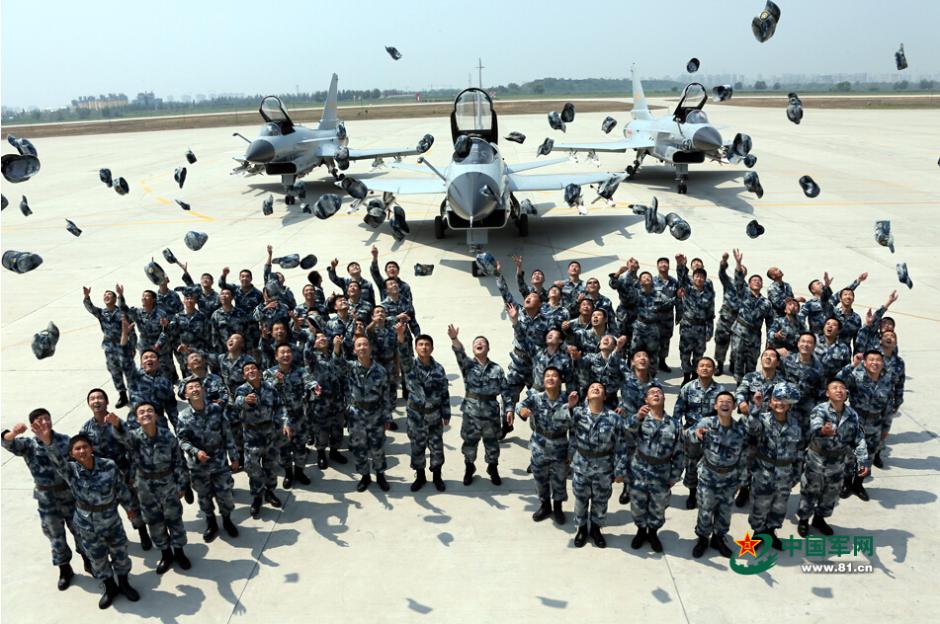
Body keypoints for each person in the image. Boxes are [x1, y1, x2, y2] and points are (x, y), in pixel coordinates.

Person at [37, 424, 141, 610]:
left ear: (91, 448)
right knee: (97, 558)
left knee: (121, 554)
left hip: (111, 520)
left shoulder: (108, 465)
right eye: (77, 449)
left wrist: (130, 508)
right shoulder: (70, 471)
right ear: (72, 454)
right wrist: (48, 442)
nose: (82, 450)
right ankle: (110, 588)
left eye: (85, 446)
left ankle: (124, 584)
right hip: (87, 525)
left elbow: (121, 488)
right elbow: (57, 461)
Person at [2, 409, 88, 589]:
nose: (44, 423)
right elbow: (6, 442)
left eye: (47, 419)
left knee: (80, 530)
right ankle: (65, 569)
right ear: (33, 425)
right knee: (55, 536)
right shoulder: (28, 445)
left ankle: (89, 561)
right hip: (47, 499)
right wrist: (15, 433)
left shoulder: (65, 441)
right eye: (39, 421)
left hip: (68, 495)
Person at [109, 403, 191, 575]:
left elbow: (178, 461)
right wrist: (117, 424)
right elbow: (124, 437)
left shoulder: (167, 437)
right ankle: (166, 554)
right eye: (141, 412)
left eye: (149, 411)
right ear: (137, 419)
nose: (146, 414)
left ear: (156, 416)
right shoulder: (135, 438)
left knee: (174, 519)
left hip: (168, 485)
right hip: (145, 489)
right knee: (154, 522)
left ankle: (179, 552)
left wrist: (182, 484)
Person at [80, 389, 152, 549]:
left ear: (106, 402)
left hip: (123, 472)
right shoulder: (86, 429)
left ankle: (143, 532)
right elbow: (83, 452)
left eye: (100, 398)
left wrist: (133, 473)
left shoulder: (116, 422)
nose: (96, 401)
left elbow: (132, 444)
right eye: (92, 399)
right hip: (101, 477)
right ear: (89, 404)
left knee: (133, 505)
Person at [796, 379, 869, 537]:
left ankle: (819, 519)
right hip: (816, 461)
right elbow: (815, 427)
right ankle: (803, 520)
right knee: (810, 492)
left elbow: (859, 438)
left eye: (842, 388)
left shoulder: (852, 415)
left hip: (838, 463)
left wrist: (862, 461)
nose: (839, 390)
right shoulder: (820, 410)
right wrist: (823, 430)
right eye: (834, 388)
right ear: (827, 393)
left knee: (831, 494)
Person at [448, 325, 513, 486]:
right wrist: (454, 339)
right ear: (473, 348)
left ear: (488, 348)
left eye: (483, 342)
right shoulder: (468, 365)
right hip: (471, 413)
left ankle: (493, 468)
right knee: (469, 443)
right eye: (476, 342)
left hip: (491, 413)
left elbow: (505, 390)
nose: (479, 343)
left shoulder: (497, 369)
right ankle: (469, 468)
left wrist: (509, 409)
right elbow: (459, 353)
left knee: (492, 443)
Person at [177, 377, 240, 543]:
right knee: (204, 497)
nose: (195, 389)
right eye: (191, 388)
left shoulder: (215, 410)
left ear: (203, 390)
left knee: (225, 494)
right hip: (198, 465)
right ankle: (211, 522)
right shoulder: (183, 417)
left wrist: (234, 457)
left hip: (219, 461)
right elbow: (182, 441)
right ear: (186, 394)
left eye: (198, 386)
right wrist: (196, 452)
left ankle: (227, 520)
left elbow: (227, 434)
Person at [689, 391, 747, 559]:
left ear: (734, 407)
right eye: (721, 401)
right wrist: (696, 435)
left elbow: (743, 457)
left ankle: (718, 538)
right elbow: (689, 435)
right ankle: (702, 539)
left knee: (725, 512)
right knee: (705, 511)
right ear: (715, 405)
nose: (725, 403)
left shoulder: (739, 430)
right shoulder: (707, 423)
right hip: (709, 477)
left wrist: (742, 480)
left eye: (729, 401)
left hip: (730, 479)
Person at [626, 386, 684, 553]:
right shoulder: (640, 419)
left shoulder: (674, 424)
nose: (656, 394)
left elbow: (680, 452)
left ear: (665, 399)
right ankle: (640, 531)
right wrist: (637, 417)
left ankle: (652, 532)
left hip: (662, 472)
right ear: (646, 400)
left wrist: (675, 475)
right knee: (638, 504)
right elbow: (625, 432)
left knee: (658, 506)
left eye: (660, 393)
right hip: (639, 470)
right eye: (652, 393)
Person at [745, 383, 803, 550]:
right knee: (760, 506)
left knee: (779, 507)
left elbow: (799, 452)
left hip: (785, 475)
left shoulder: (795, 425)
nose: (780, 403)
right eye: (776, 399)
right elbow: (751, 429)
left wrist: (796, 475)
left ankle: (771, 531)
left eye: (784, 400)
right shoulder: (762, 419)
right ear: (769, 402)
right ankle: (758, 533)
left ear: (790, 404)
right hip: (763, 473)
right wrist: (755, 407)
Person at [570, 383, 627, 549]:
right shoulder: (577, 413)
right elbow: (560, 423)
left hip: (604, 467)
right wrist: (569, 406)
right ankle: (581, 529)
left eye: (600, 388)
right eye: (592, 387)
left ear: (604, 397)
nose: (596, 388)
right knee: (580, 500)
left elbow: (621, 446)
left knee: (600, 501)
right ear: (587, 396)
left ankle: (596, 529)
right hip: (581, 465)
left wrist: (620, 469)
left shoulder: (613, 418)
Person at [516, 368, 576, 524]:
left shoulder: (568, 399)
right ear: (543, 381)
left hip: (560, 447)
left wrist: (571, 452)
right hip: (539, 446)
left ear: (560, 380)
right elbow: (520, 406)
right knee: (540, 479)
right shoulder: (536, 398)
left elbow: (575, 429)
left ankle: (557, 507)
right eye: (547, 376)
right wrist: (522, 411)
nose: (550, 378)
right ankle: (545, 505)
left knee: (560, 479)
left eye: (554, 376)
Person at [397, 323, 451, 492]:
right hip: (416, 417)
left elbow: (444, 392)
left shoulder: (439, 369)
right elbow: (403, 354)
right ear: (416, 348)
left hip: (434, 416)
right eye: (421, 344)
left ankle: (437, 476)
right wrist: (400, 336)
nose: (424, 347)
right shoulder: (410, 366)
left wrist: (446, 413)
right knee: (417, 447)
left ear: (432, 348)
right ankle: (420, 476)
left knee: (436, 448)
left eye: (427, 344)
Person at [335, 336, 392, 492]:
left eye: (365, 344)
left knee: (377, 447)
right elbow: (337, 364)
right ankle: (365, 476)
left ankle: (380, 474)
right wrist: (337, 348)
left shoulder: (380, 370)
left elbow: (386, 395)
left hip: (376, 414)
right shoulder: (350, 368)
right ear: (354, 350)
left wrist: (387, 417)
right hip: (356, 415)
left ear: (370, 348)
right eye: (359, 345)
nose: (362, 347)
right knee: (359, 448)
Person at [234, 361, 291, 517]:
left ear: (259, 372)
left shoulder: (269, 388)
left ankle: (270, 492)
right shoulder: (243, 390)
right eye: (247, 369)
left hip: (270, 434)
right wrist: (245, 401)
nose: (251, 370)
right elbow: (237, 402)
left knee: (271, 466)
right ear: (244, 375)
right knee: (252, 468)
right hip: (252, 437)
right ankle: (257, 496)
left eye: (254, 368)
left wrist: (285, 423)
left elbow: (279, 407)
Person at [836, 351, 894, 501]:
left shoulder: (887, 382)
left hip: (875, 426)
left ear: (882, 363)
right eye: (871, 360)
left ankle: (858, 485)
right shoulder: (857, 377)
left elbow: (888, 409)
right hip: (855, 424)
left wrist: (886, 430)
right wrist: (853, 364)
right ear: (866, 363)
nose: (875, 363)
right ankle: (846, 484)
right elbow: (837, 381)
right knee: (849, 456)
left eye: (878, 360)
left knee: (867, 459)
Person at [733, 348, 783, 507]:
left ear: (778, 362)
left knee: (768, 459)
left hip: (772, 426)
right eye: (765, 355)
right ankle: (745, 488)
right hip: (749, 424)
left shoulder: (782, 382)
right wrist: (742, 402)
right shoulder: (750, 377)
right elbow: (740, 391)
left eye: (772, 356)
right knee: (746, 458)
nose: (768, 358)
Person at [675, 357, 725, 510]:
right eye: (701, 366)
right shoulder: (688, 388)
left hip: (712, 435)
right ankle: (692, 492)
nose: (705, 368)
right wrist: (680, 431)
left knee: (711, 465)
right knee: (691, 464)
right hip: (691, 434)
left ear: (714, 370)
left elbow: (724, 413)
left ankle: (709, 494)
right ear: (696, 370)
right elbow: (678, 411)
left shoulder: (720, 390)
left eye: (709, 366)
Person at [617, 350, 661, 505]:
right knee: (628, 455)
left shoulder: (655, 385)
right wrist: (618, 348)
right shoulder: (626, 378)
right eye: (638, 357)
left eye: (645, 356)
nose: (642, 358)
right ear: (632, 363)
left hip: (647, 427)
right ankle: (627, 487)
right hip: (629, 423)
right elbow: (610, 366)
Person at [264, 344, 311, 489]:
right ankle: (288, 473)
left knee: (300, 447)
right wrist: (277, 381)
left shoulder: (300, 371)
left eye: (288, 352)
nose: (286, 355)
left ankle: (299, 471)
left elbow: (309, 381)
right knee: (284, 449)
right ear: (276, 356)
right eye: (282, 353)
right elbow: (265, 392)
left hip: (298, 417)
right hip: (280, 420)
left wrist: (314, 387)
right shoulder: (269, 373)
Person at [119, 318, 179, 429]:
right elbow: (124, 357)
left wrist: (180, 434)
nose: (149, 359)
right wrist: (124, 334)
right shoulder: (134, 376)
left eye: (152, 357)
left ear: (158, 362)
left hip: (159, 429)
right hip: (136, 427)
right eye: (145, 358)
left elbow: (172, 410)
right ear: (141, 363)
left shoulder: (165, 382)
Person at [83, 286, 133, 407]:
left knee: (129, 370)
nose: (106, 296)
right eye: (105, 295)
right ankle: (122, 394)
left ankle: (135, 393)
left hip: (123, 345)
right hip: (109, 348)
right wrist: (86, 297)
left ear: (115, 299)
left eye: (109, 295)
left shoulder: (122, 313)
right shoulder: (101, 313)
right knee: (115, 371)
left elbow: (130, 330)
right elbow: (91, 308)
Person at [729, 250, 774, 383]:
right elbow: (738, 280)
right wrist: (738, 263)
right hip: (740, 332)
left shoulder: (766, 303)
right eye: (754, 280)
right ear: (749, 284)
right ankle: (739, 385)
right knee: (738, 360)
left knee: (751, 363)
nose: (757, 282)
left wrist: (769, 342)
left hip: (755, 335)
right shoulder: (743, 293)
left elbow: (770, 324)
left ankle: (748, 386)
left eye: (759, 281)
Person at [304, 333, 348, 469]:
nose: (322, 339)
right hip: (320, 402)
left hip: (337, 401)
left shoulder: (336, 353)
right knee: (321, 431)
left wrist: (337, 348)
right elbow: (306, 350)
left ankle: (334, 452)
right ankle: (321, 453)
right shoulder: (312, 358)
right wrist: (312, 334)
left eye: (324, 337)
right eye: (318, 338)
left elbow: (342, 371)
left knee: (337, 429)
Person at [677, 266, 715, 385]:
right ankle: (686, 376)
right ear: (693, 278)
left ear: (705, 279)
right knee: (684, 354)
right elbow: (682, 278)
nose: (699, 278)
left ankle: (694, 376)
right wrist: (681, 265)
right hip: (687, 327)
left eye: (702, 277)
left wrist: (709, 332)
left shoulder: (709, 295)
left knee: (698, 355)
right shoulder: (688, 289)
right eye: (697, 276)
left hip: (701, 328)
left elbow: (710, 315)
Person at [652, 256, 682, 373]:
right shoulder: (652, 281)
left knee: (665, 341)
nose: (663, 265)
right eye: (661, 263)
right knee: (653, 341)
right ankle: (652, 364)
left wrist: (679, 314)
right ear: (657, 266)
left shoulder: (674, 282)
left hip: (668, 316)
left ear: (668, 266)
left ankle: (662, 361)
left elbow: (679, 298)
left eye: (665, 263)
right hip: (654, 316)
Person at [713, 253, 740, 377]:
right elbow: (722, 273)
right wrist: (723, 261)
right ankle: (719, 365)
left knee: (737, 345)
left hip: (739, 321)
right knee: (721, 342)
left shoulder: (747, 287)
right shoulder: (729, 282)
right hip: (726, 317)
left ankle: (733, 364)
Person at [210, 286, 248, 354]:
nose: (224, 296)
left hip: (240, 351)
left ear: (232, 297)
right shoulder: (215, 315)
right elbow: (214, 336)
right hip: (223, 352)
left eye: (227, 294)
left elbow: (247, 333)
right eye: (222, 294)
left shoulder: (241, 313)